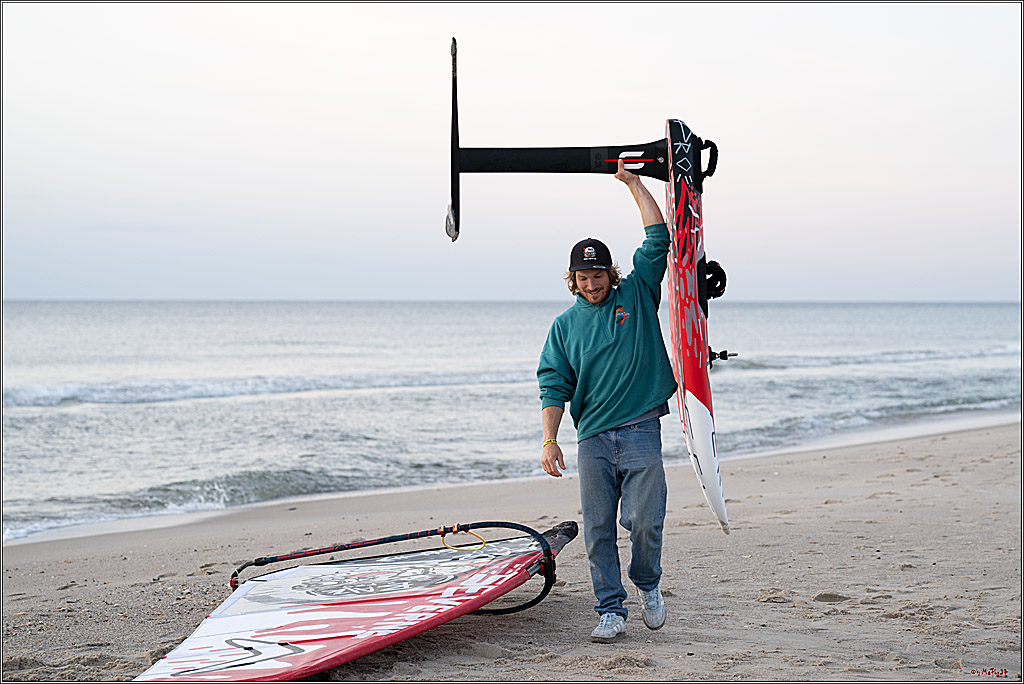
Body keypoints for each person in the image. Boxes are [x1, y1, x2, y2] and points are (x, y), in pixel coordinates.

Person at [537, 159, 678, 643]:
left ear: (609, 273)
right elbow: (554, 383)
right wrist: (549, 439)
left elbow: (658, 241)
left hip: (640, 427)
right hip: (593, 437)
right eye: (583, 276)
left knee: (643, 521)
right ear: (572, 279)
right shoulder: (565, 326)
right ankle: (610, 609)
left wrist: (633, 183)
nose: (592, 283)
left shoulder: (636, 295)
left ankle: (648, 584)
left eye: (598, 274)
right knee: (598, 529)